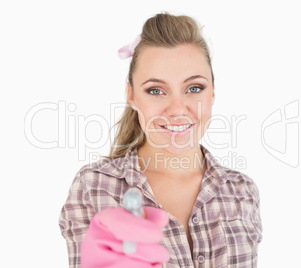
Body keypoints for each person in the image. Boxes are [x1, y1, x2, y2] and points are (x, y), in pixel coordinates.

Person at [59, 12, 262, 268]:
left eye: (194, 88)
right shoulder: (95, 187)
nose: (177, 109)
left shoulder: (242, 191)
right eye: (155, 90)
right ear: (131, 95)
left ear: (212, 92)